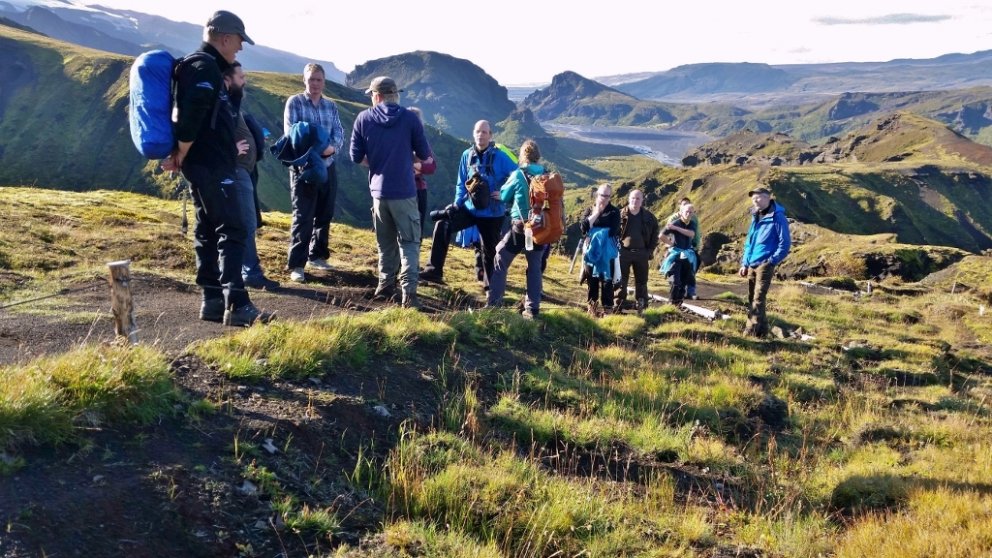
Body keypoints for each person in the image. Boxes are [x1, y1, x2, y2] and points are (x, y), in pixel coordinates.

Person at [161, 10, 270, 327]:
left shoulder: (201, 65)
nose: (241, 47)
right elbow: (192, 114)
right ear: (224, 38)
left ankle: (211, 301)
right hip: (210, 164)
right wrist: (180, 152)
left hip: (204, 164)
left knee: (207, 229)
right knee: (233, 228)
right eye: (239, 41)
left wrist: (183, 154)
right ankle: (237, 303)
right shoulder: (205, 67)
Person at [349, 76, 432, 308]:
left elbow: (355, 156)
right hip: (404, 191)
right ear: (395, 95)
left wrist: (378, 163)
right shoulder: (409, 119)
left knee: (385, 243)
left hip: (378, 193)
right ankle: (409, 294)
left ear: (376, 96)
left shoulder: (363, 118)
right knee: (409, 243)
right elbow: (424, 155)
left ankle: (385, 287)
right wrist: (405, 159)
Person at [420, 120, 517, 289]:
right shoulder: (467, 155)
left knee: (489, 252)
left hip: (492, 214)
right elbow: (461, 183)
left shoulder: (501, 157)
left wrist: (504, 194)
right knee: (443, 224)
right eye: (478, 131)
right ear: (473, 133)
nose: (481, 135)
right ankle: (433, 271)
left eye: (484, 132)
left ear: (490, 135)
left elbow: (519, 176)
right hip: (470, 209)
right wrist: (457, 204)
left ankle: (491, 289)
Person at [283, 63, 344, 283]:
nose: (315, 84)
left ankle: (317, 255)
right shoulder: (295, 102)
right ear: (304, 80)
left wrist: (332, 148)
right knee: (303, 215)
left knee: (325, 212)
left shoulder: (330, 106)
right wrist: (319, 149)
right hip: (304, 167)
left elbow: (339, 132)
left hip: (328, 164)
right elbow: (292, 134)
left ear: (324, 82)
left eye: (319, 80)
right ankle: (297, 265)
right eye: (311, 79)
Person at [225, 61, 279, 291]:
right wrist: (231, 149)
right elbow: (210, 135)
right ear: (228, 80)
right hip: (236, 171)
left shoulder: (230, 105)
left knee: (246, 222)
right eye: (241, 77)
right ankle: (250, 273)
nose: (244, 81)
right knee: (246, 223)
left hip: (244, 171)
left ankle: (245, 271)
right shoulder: (222, 105)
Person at [486, 140, 546, 319]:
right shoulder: (547, 175)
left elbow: (505, 195)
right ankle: (532, 309)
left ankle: (494, 304)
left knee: (500, 258)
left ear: (522, 156)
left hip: (521, 227)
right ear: (538, 156)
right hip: (541, 228)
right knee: (534, 267)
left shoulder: (519, 174)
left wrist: (504, 194)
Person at [739, 187, 791, 337]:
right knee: (752, 298)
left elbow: (785, 243)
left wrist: (771, 261)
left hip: (765, 264)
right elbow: (749, 242)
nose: (755, 200)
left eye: (759, 197)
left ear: (768, 198)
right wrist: (745, 263)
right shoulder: (755, 216)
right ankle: (763, 331)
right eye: (753, 198)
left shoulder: (777, 217)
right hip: (752, 263)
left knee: (758, 298)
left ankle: (751, 331)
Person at [614, 189, 660, 314]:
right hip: (623, 252)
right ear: (629, 199)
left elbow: (655, 234)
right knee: (620, 280)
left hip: (641, 253)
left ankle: (642, 306)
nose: (635, 200)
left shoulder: (649, 217)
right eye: (633, 198)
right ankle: (618, 305)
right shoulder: (620, 215)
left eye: (638, 198)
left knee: (642, 281)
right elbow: (612, 233)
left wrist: (649, 251)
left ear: (642, 200)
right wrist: (616, 249)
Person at [580, 183, 621, 317]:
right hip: (591, 250)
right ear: (597, 195)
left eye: (607, 196)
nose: (604, 198)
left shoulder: (614, 211)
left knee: (607, 280)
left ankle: (608, 309)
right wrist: (597, 212)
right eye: (602, 195)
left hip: (607, 251)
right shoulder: (590, 210)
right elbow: (583, 227)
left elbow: (614, 230)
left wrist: (594, 233)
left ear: (610, 196)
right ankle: (592, 307)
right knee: (591, 279)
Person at [659, 203, 698, 305]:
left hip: (687, 255)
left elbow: (691, 234)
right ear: (681, 212)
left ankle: (678, 303)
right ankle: (672, 302)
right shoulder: (675, 223)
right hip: (675, 255)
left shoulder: (692, 223)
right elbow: (661, 235)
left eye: (691, 212)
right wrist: (670, 243)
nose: (688, 214)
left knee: (684, 280)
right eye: (687, 211)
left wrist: (676, 229)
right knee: (675, 281)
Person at [667, 197, 701, 299]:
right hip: (676, 248)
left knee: (692, 268)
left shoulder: (694, 218)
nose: (686, 206)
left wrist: (696, 244)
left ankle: (691, 292)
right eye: (684, 204)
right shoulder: (673, 218)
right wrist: (670, 244)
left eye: (688, 204)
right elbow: (668, 232)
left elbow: (696, 232)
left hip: (689, 248)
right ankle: (675, 293)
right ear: (680, 206)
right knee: (674, 270)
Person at [408, 107, 437, 229]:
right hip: (404, 189)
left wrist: (414, 165)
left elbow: (432, 166)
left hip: (419, 189)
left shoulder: (422, 142)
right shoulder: (399, 141)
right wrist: (421, 163)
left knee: (418, 226)